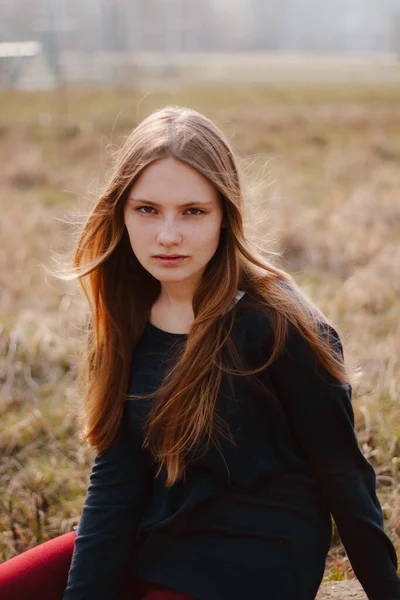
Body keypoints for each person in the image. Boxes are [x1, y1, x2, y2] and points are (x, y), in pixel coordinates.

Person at [0, 106, 399, 600]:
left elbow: (343, 475)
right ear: (120, 213)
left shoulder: (278, 325)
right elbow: (117, 479)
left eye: (193, 211)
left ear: (224, 217)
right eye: (147, 210)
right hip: (154, 537)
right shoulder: (125, 310)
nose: (168, 235)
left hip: (252, 560)